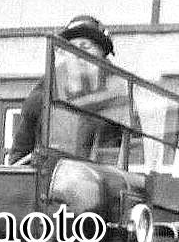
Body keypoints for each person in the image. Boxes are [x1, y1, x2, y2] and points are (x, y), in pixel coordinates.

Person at [8, 15, 115, 163]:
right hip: (50, 180)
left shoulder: (119, 97)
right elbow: (18, 156)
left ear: (102, 56)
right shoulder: (41, 95)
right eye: (70, 48)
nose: (77, 55)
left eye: (85, 47)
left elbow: (132, 157)